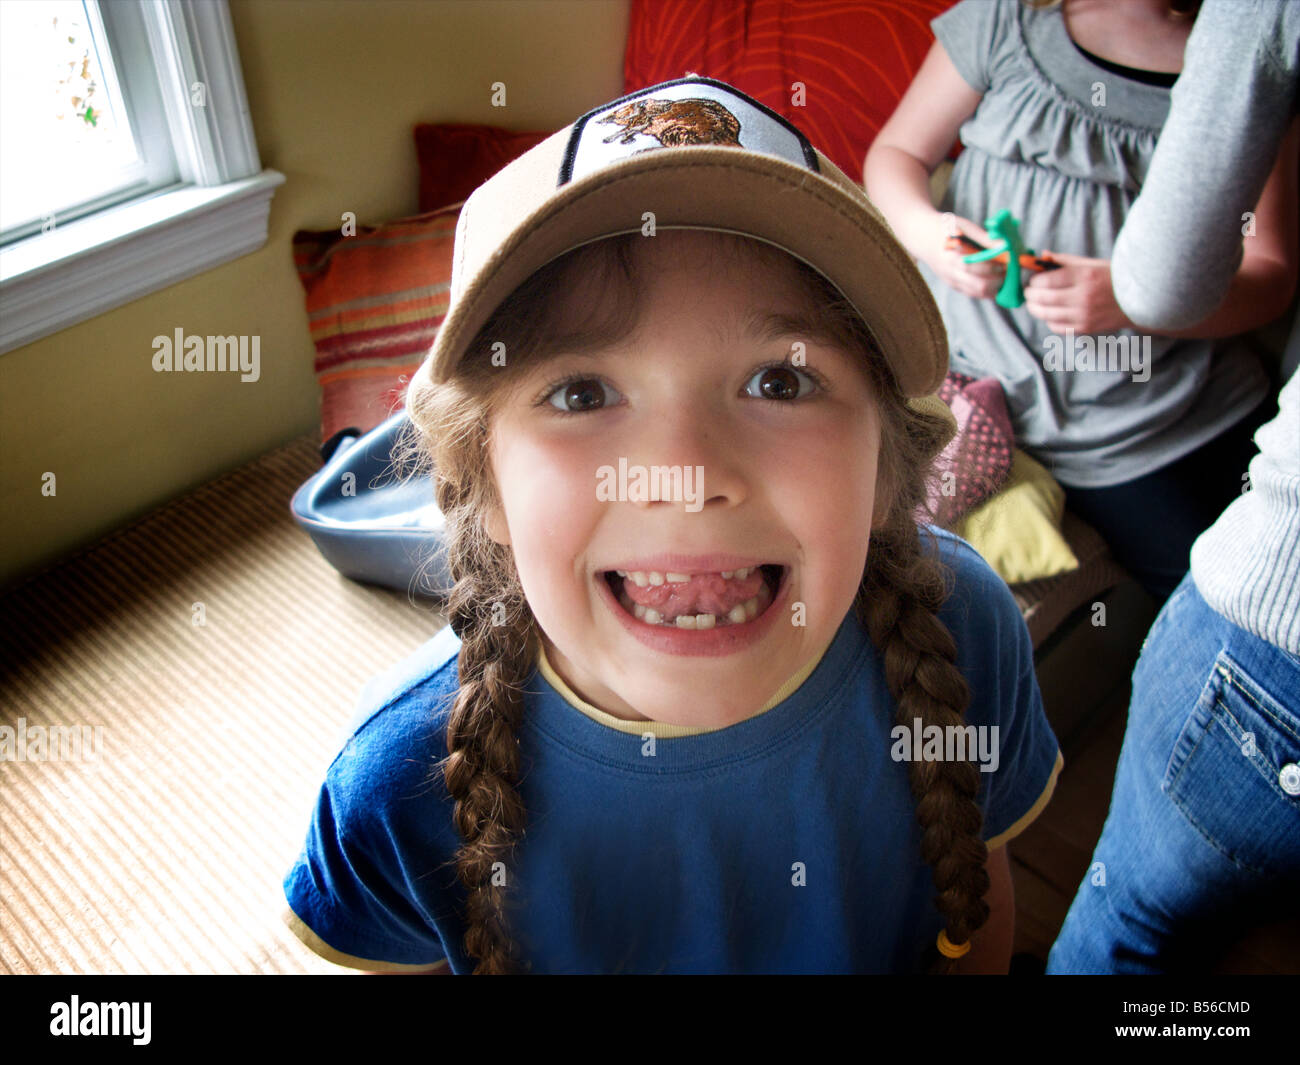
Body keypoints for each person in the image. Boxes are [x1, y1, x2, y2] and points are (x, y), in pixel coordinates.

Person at [281, 76, 1062, 975]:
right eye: (581, 392)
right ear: (482, 481)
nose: (685, 478)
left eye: (781, 380)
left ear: (888, 462)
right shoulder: (394, 784)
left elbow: (981, 920)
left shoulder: (966, 628)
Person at [863, 0, 1298, 604]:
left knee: (1237, 604)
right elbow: (896, 157)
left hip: (1152, 426)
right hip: (977, 382)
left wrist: (1132, 300)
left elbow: (1271, 276)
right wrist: (934, 239)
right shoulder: (1004, 20)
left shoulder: (1248, 64)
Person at [1048, 0, 1300, 973]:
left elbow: (1169, 283)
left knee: (1128, 942)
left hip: (1268, 638)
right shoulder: (998, 31)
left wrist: (1123, 296)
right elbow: (897, 161)